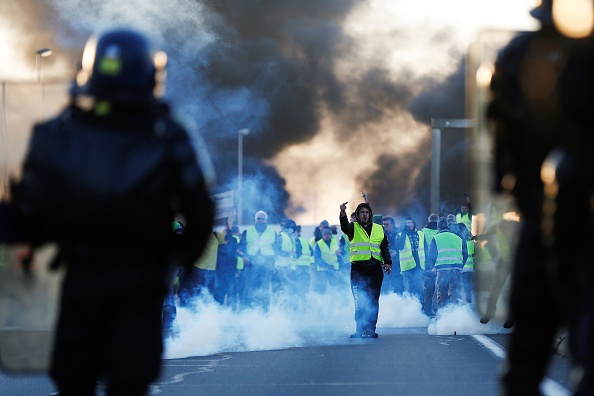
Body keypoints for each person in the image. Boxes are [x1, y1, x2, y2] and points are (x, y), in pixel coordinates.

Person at [8, 28, 215, 395]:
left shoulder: (55, 134)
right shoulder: (168, 135)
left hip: (78, 279)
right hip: (140, 281)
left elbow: (28, 212)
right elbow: (200, 209)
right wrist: (177, 262)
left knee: (75, 381)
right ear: (149, 75)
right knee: (129, 383)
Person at [487, 0, 594, 393]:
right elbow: (502, 130)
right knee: (529, 347)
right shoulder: (519, 56)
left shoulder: (522, 54)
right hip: (543, 216)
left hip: (571, 218)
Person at [339, 201, 392, 339]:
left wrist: (388, 262)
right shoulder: (353, 227)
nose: (365, 214)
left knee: (373, 300)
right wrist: (343, 213)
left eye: (367, 212)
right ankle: (359, 329)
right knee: (359, 300)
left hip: (375, 270)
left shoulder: (379, 229)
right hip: (358, 271)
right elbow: (344, 227)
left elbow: (384, 246)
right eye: (362, 212)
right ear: (357, 214)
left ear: (371, 215)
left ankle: (370, 329)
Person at [237, 210, 277, 311]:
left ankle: (264, 311)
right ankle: (249, 311)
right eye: (258, 218)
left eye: (262, 218)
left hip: (267, 264)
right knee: (250, 287)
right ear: (255, 220)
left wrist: (272, 262)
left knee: (264, 288)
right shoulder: (247, 232)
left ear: (266, 220)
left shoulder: (273, 233)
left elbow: (277, 249)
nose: (260, 220)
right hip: (250, 264)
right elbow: (240, 248)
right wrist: (244, 257)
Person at [426, 219, 467, 309]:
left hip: (442, 268)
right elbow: (465, 253)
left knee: (442, 290)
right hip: (456, 268)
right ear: (448, 227)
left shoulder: (436, 237)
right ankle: (456, 312)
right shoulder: (457, 237)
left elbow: (431, 254)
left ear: (438, 227)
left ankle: (443, 312)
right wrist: (461, 266)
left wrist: (433, 266)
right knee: (455, 291)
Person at [394, 217, 426, 302]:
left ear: (414, 223)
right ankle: (409, 308)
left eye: (411, 222)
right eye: (407, 223)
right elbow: (399, 247)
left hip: (419, 265)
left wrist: (428, 264)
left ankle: (420, 306)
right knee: (408, 289)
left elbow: (425, 248)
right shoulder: (400, 234)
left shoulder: (421, 233)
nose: (409, 224)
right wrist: (404, 232)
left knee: (420, 288)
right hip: (407, 266)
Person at [421, 214, 439, 316]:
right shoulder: (439, 232)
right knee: (440, 287)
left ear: (428, 219)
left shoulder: (423, 232)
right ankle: (437, 309)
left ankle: (427, 309)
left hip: (426, 263)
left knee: (428, 287)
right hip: (440, 262)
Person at [313, 227, 340, 293]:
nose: (327, 235)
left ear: (331, 235)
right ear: (323, 236)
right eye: (325, 234)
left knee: (335, 288)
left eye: (329, 234)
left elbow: (338, 255)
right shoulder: (319, 244)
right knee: (322, 288)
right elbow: (317, 258)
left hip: (334, 269)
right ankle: (322, 301)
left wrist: (340, 266)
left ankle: (334, 300)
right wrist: (326, 266)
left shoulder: (335, 242)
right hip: (322, 270)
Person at [381, 216, 403, 295]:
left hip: (398, 263)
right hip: (385, 263)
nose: (385, 226)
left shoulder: (399, 233)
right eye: (384, 224)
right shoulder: (382, 234)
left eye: (387, 224)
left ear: (393, 224)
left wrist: (396, 252)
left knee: (397, 283)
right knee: (385, 284)